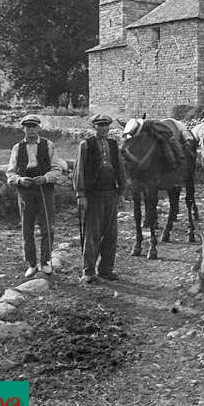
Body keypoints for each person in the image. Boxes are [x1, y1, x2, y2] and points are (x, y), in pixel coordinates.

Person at [6, 114, 65, 279]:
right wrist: (19, 179)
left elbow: (57, 169)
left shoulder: (48, 145)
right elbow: (10, 172)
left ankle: (45, 261)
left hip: (44, 190)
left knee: (47, 226)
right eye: (27, 126)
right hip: (25, 191)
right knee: (27, 228)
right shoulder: (17, 148)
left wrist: (45, 178)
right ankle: (31, 264)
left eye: (33, 126)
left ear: (38, 128)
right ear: (23, 128)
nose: (30, 129)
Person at [73, 113, 126, 283]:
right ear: (94, 127)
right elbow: (79, 169)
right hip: (93, 194)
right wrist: (81, 194)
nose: (103, 128)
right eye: (100, 125)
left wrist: (122, 192)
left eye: (106, 125)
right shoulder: (86, 145)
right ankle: (88, 271)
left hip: (111, 193)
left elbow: (120, 168)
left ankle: (106, 269)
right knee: (92, 233)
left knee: (111, 234)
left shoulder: (113, 145)